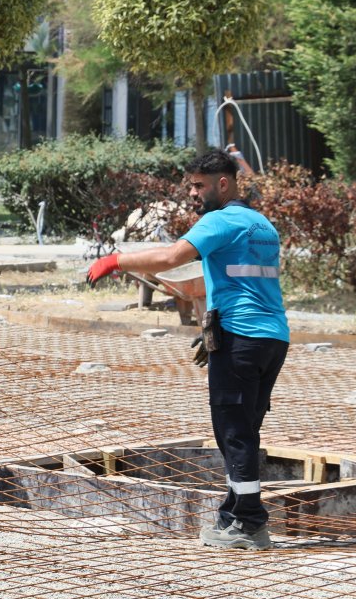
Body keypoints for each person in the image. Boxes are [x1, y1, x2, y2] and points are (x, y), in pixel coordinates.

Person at [87, 149, 288, 551]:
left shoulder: (221, 220)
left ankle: (250, 524)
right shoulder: (261, 223)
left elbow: (171, 256)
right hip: (272, 337)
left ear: (223, 183)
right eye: (191, 185)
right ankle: (233, 514)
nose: (194, 193)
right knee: (245, 429)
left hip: (241, 337)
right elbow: (247, 284)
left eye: (199, 185)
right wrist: (213, 330)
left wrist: (116, 260)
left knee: (233, 432)